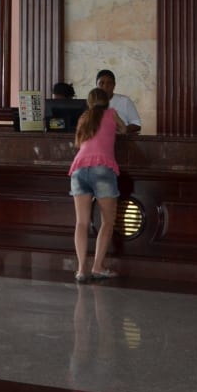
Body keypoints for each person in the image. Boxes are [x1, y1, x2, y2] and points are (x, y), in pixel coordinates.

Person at [69, 87, 127, 283]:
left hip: (79, 168)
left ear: (89, 102)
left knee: (81, 223)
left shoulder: (84, 118)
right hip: (102, 168)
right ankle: (98, 267)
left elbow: (79, 143)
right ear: (107, 101)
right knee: (107, 221)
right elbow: (124, 129)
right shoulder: (111, 114)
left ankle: (81, 270)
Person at [94, 69, 141, 134]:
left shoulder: (125, 101)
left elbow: (137, 125)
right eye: (101, 83)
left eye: (109, 83)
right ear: (96, 85)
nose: (105, 86)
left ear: (114, 85)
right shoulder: (91, 102)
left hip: (121, 138)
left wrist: (122, 130)